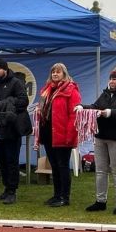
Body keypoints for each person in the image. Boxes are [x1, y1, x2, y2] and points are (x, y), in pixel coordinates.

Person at [77, 64, 116, 215]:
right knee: (100, 171)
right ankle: (100, 201)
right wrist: (82, 107)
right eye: (111, 78)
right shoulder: (106, 93)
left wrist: (109, 113)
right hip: (101, 136)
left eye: (115, 79)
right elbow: (95, 106)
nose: (111, 81)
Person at [0, 58, 29, 205]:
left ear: (5, 69)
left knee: (12, 161)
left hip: (11, 129)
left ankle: (12, 191)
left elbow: (24, 101)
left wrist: (9, 102)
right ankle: (6, 188)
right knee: (2, 161)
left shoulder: (15, 83)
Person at [37, 63, 81, 207]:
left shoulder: (71, 90)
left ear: (64, 74)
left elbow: (73, 115)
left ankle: (65, 197)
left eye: (58, 72)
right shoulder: (47, 90)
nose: (55, 74)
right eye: (53, 72)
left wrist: (70, 135)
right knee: (54, 166)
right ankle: (56, 195)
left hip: (62, 133)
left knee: (62, 166)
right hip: (48, 132)